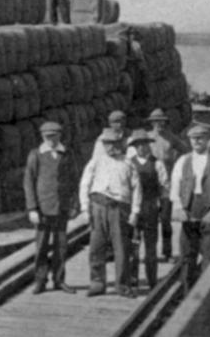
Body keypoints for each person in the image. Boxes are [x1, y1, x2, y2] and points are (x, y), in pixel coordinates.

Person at [79, 130, 142, 297]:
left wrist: (135, 212)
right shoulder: (96, 162)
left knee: (121, 247)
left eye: (113, 144)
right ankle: (97, 283)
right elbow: (84, 184)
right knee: (96, 246)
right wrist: (85, 208)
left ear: (120, 144)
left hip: (119, 209)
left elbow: (137, 189)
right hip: (98, 206)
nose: (110, 147)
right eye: (106, 144)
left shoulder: (128, 164)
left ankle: (122, 285)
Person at [169, 125, 210, 294]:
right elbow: (174, 185)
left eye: (201, 138)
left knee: (209, 254)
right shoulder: (183, 160)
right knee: (187, 255)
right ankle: (187, 291)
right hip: (189, 208)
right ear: (190, 140)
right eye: (194, 139)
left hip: (208, 209)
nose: (197, 141)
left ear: (207, 140)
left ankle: (206, 293)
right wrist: (178, 207)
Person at [24, 121, 77, 295]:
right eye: (48, 137)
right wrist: (32, 208)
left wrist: (73, 205)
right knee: (41, 247)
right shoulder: (36, 155)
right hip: (42, 210)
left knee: (61, 246)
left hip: (61, 208)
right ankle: (40, 280)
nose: (51, 140)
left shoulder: (67, 154)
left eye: (54, 136)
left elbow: (73, 181)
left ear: (60, 135)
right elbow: (29, 182)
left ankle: (59, 280)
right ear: (42, 137)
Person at [127, 130, 170, 289]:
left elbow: (165, 187)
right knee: (133, 247)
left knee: (151, 247)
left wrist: (164, 209)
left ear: (148, 145)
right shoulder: (129, 163)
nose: (141, 148)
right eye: (138, 145)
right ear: (134, 147)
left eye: (144, 145)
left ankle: (152, 280)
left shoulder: (157, 163)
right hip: (134, 211)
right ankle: (133, 280)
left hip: (151, 209)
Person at [146, 108, 190, 262]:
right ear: (151, 123)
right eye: (156, 122)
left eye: (162, 122)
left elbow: (186, 152)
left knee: (165, 219)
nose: (160, 125)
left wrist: (178, 168)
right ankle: (150, 254)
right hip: (149, 184)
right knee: (148, 220)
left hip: (166, 185)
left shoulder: (172, 138)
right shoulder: (147, 138)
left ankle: (167, 252)